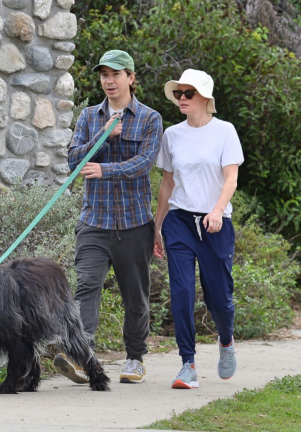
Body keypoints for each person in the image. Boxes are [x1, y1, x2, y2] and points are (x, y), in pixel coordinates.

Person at [54, 50, 163, 384]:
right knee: (85, 287)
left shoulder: (149, 118)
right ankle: (82, 354)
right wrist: (103, 137)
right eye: (104, 75)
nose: (108, 80)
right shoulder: (89, 117)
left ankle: (134, 359)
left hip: (133, 225)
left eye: (115, 74)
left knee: (136, 296)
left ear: (131, 78)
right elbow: (74, 161)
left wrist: (104, 167)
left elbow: (144, 163)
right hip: (94, 223)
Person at [153, 69, 244, 389]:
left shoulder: (225, 131)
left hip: (215, 224)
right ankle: (187, 364)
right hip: (179, 222)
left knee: (219, 298)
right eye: (178, 93)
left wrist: (218, 210)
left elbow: (231, 178)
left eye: (188, 93)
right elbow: (167, 184)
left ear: (205, 98)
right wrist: (157, 226)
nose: (181, 98)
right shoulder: (172, 135)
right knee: (181, 293)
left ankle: (226, 340)